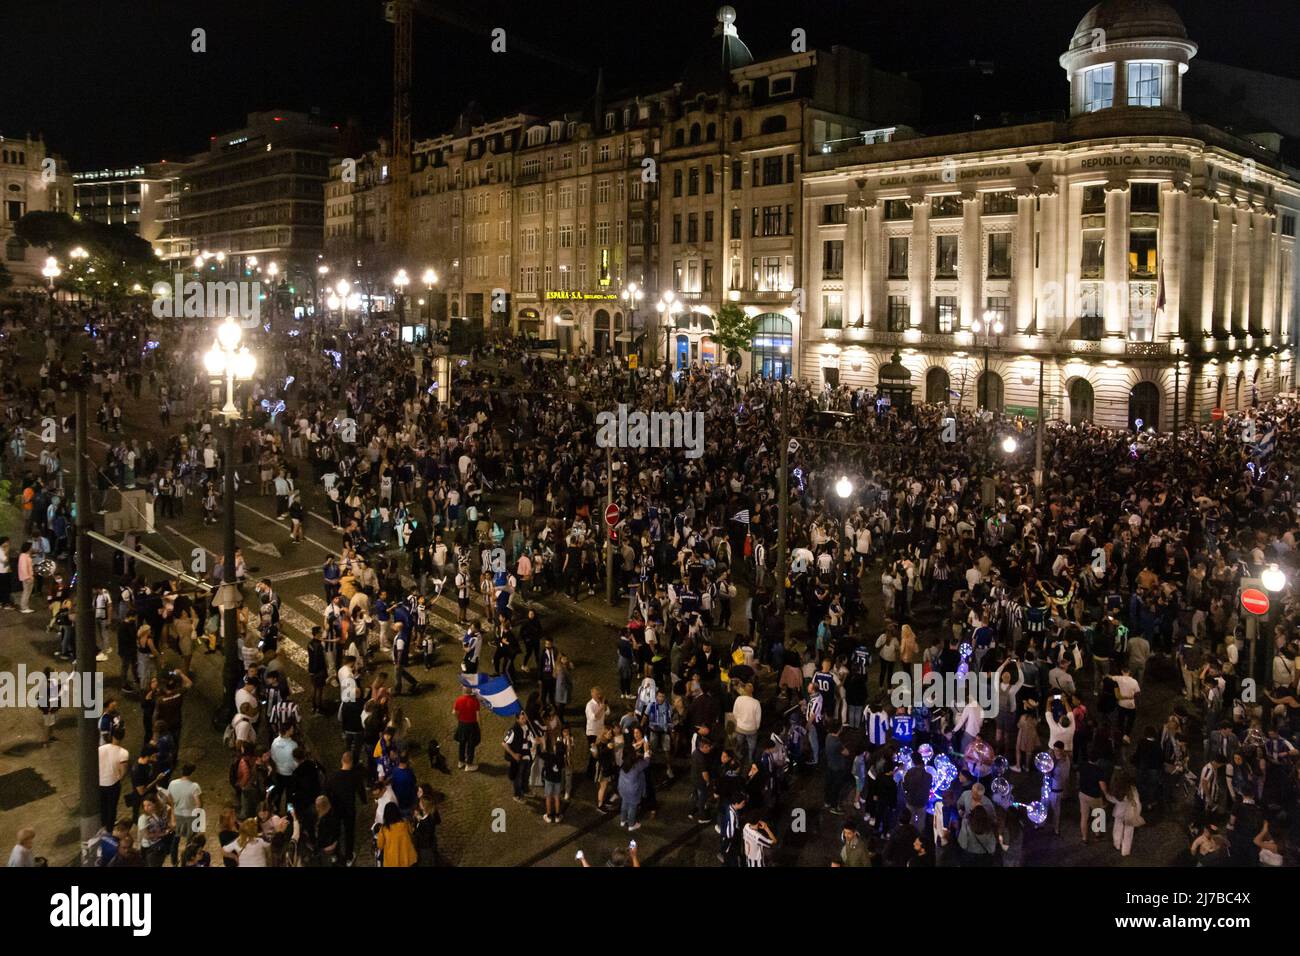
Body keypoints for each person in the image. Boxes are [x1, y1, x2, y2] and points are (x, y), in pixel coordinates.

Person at [97, 729, 130, 829]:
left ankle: (102, 824)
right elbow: (123, 771)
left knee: (102, 806)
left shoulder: (100, 749)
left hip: (100, 782)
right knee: (112, 807)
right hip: (113, 783)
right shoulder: (123, 753)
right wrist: (119, 777)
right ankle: (109, 828)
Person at [375, 802, 417, 867]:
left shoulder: (384, 830)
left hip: (392, 860)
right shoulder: (405, 822)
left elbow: (380, 845)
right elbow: (411, 832)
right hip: (406, 856)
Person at [452, 685, 481, 771]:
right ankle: (469, 764)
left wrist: (459, 719)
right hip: (472, 725)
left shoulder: (459, 700)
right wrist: (480, 727)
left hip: (462, 725)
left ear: (463, 691)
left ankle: (461, 761)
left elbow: (454, 712)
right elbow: (478, 716)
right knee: (471, 745)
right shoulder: (475, 701)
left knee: (462, 743)